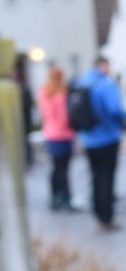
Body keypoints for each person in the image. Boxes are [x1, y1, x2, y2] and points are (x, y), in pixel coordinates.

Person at [72, 56, 126, 231]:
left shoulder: (82, 82)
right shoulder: (105, 84)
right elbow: (115, 109)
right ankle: (106, 217)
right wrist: (123, 120)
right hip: (106, 137)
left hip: (88, 139)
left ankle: (97, 213)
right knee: (106, 178)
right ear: (102, 65)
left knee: (95, 177)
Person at [36, 65, 75, 211]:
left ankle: (57, 197)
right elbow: (64, 115)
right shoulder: (59, 93)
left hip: (53, 134)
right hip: (62, 134)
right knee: (63, 168)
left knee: (57, 167)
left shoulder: (45, 92)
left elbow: (44, 114)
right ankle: (64, 197)